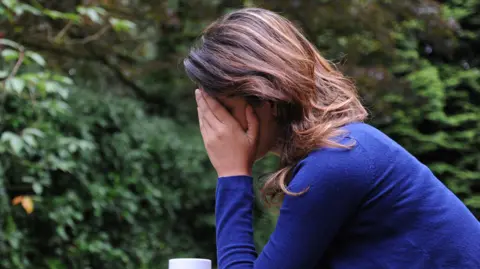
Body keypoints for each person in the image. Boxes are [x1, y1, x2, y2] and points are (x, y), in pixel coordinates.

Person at [184, 7, 480, 269]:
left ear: (266, 99)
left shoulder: (336, 160)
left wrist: (232, 175)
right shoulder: (343, 150)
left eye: (221, 108)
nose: (215, 126)